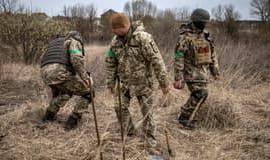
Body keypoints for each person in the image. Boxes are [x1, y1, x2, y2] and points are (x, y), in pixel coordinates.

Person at [105, 13, 169, 147]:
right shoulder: (114, 42)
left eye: (118, 29)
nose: (115, 32)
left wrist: (164, 83)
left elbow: (157, 61)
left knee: (147, 112)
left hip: (143, 83)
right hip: (125, 84)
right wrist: (110, 83)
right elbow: (111, 63)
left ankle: (149, 139)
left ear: (126, 26)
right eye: (113, 29)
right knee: (119, 107)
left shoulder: (143, 38)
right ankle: (130, 132)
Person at [173, 8, 220, 128]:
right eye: (202, 22)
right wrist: (178, 77)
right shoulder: (185, 37)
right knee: (200, 93)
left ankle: (188, 117)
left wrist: (215, 71)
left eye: (206, 22)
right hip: (191, 73)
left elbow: (212, 54)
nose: (204, 24)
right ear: (195, 21)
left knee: (202, 96)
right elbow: (179, 57)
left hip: (203, 74)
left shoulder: (206, 36)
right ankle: (183, 118)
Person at [40, 31, 93, 131]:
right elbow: (76, 59)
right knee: (88, 93)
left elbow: (43, 59)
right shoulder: (74, 41)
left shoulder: (53, 44)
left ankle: (48, 117)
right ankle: (72, 122)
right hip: (59, 73)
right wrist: (85, 78)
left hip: (45, 73)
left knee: (64, 93)